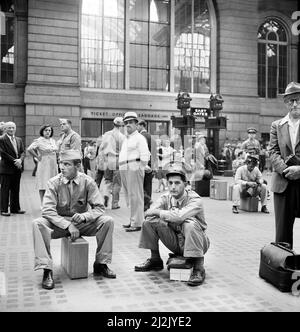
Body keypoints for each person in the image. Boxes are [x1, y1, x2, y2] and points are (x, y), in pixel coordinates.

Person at [32, 149, 116, 290]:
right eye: (61, 163)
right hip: (58, 224)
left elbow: (99, 208)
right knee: (38, 224)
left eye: (66, 164)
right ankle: (46, 269)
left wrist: (85, 216)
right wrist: (67, 225)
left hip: (81, 223)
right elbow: (47, 210)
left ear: (77, 166)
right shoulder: (53, 183)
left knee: (107, 221)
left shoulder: (88, 181)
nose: (62, 167)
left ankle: (101, 263)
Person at [135, 165, 210, 286]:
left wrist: (160, 213)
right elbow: (149, 213)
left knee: (189, 224)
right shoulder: (166, 197)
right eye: (170, 183)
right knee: (149, 222)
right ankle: (155, 260)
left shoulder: (195, 200)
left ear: (185, 184)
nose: (173, 187)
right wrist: (158, 214)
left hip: (198, 243)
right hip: (176, 241)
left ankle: (199, 267)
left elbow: (179, 216)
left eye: (177, 183)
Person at [269, 81, 300, 248]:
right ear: (286, 103)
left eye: (298, 99)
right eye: (291, 100)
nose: (294, 104)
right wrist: (286, 170)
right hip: (283, 183)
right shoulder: (277, 125)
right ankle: (284, 266)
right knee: (282, 233)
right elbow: (273, 152)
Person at [119, 111, 150, 232]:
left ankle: (137, 222)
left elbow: (145, 154)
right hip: (124, 167)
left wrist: (140, 166)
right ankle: (133, 220)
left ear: (137, 124)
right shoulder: (126, 139)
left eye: (131, 122)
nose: (128, 125)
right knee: (128, 196)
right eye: (126, 123)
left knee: (135, 195)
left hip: (134, 167)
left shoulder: (140, 138)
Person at [27, 124, 58, 205]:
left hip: (53, 164)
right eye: (46, 130)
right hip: (44, 164)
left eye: (49, 130)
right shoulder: (39, 140)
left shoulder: (53, 140)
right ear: (42, 131)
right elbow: (29, 149)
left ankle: (51, 202)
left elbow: (56, 150)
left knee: (53, 183)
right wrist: (37, 156)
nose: (48, 132)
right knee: (43, 183)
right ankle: (42, 203)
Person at [0, 121, 26, 216]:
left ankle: (15, 208)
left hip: (17, 169)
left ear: (15, 129)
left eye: (13, 127)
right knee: (5, 190)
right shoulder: (1, 139)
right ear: (5, 129)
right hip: (6, 169)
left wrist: (20, 160)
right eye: (9, 127)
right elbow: (3, 153)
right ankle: (3, 210)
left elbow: (23, 152)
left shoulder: (19, 139)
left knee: (16, 189)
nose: (11, 129)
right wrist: (16, 161)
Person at [100, 117, 125, 209]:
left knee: (107, 181)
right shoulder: (122, 137)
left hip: (107, 160)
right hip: (118, 160)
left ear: (113, 124)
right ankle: (115, 203)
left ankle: (106, 195)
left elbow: (101, 148)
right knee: (117, 183)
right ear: (121, 125)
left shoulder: (106, 134)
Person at [137, 119, 157, 211]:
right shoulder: (151, 137)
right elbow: (154, 152)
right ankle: (147, 203)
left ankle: (145, 202)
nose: (136, 127)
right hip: (150, 165)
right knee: (148, 185)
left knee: (140, 185)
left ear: (141, 126)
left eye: (137, 125)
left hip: (142, 164)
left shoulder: (140, 136)